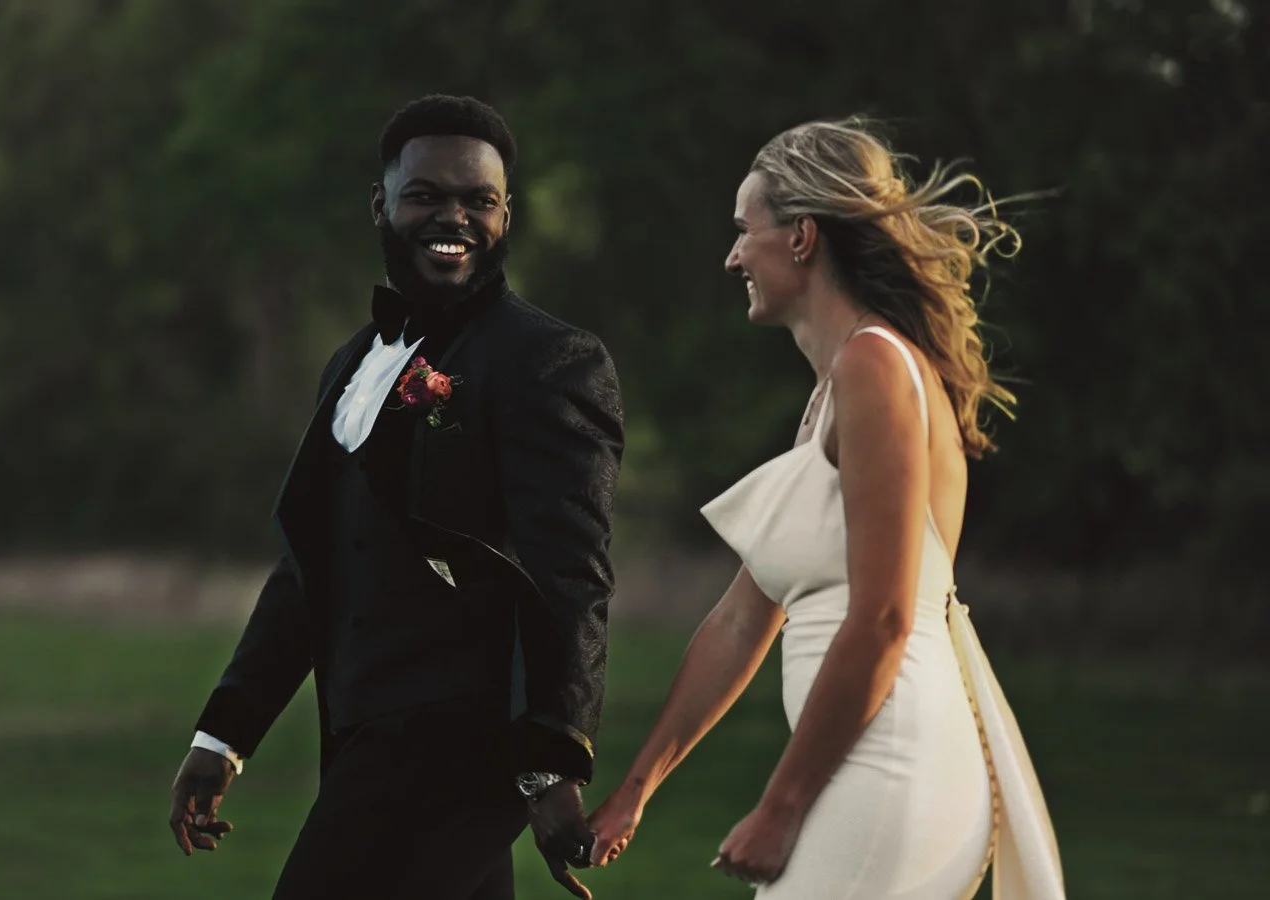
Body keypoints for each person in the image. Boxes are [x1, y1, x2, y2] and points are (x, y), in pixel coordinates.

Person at [586, 118, 1065, 898]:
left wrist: (780, 806)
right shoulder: (833, 394)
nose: (733, 255)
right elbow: (742, 620)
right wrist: (636, 789)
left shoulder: (877, 367)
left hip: (889, 764)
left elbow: (884, 618)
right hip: (857, 768)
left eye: (746, 230)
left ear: (803, 237)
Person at [167, 94, 624, 900]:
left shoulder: (550, 361)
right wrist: (225, 733)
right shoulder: (351, 363)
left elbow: (569, 574)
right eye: (426, 195)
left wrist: (552, 762)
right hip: (360, 737)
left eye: (478, 200)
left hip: (463, 746)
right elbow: (312, 563)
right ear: (381, 204)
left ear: (507, 214)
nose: (454, 216)